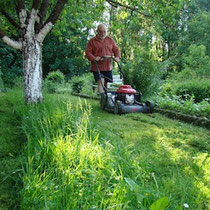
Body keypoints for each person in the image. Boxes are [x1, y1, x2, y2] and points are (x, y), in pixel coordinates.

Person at [85, 24, 121, 96]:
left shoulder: (110, 40)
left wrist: (117, 57)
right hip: (97, 67)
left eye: (104, 32)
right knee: (101, 81)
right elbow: (88, 53)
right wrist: (94, 58)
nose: (103, 33)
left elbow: (116, 49)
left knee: (106, 84)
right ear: (97, 31)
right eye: (101, 32)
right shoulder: (92, 41)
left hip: (108, 67)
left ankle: (107, 99)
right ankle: (103, 97)